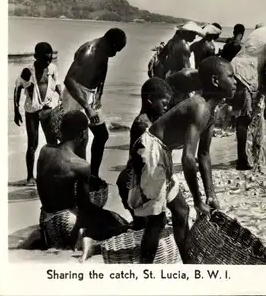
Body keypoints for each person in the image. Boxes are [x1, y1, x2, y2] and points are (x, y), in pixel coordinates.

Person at [126, 56, 236, 263]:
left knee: (180, 211)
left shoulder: (210, 112)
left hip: (162, 152)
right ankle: (143, 270)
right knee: (156, 221)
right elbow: (188, 159)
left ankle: (188, 265)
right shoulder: (200, 107)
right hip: (151, 150)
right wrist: (197, 200)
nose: (235, 81)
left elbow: (204, 155)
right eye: (230, 76)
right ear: (215, 81)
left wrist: (210, 194)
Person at [36, 111, 128, 262]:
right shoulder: (80, 165)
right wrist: (111, 218)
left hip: (46, 220)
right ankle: (89, 241)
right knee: (119, 226)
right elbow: (85, 207)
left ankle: (42, 237)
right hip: (66, 223)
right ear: (83, 134)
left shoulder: (44, 151)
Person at [62, 28, 126, 181]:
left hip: (91, 94)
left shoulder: (105, 51)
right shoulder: (89, 51)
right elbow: (69, 80)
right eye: (116, 49)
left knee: (102, 135)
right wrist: (87, 107)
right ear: (110, 42)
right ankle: (78, 178)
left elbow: (102, 71)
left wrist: (99, 94)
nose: (115, 54)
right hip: (75, 95)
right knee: (79, 140)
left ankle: (93, 175)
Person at [230, 13, 266, 170]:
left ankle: (247, 155)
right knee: (243, 117)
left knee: (245, 117)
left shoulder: (260, 31)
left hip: (236, 71)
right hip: (245, 75)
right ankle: (241, 159)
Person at [117, 78, 174, 230]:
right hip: (137, 182)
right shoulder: (142, 125)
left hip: (143, 178)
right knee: (149, 226)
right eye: (164, 103)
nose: (166, 107)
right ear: (150, 100)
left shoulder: (152, 121)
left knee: (156, 222)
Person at [13, 42, 61, 186]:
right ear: (35, 57)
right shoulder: (28, 71)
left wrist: (62, 97)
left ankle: (52, 173)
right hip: (32, 111)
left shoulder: (52, 68)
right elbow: (17, 88)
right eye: (44, 59)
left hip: (48, 109)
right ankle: (30, 177)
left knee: (52, 143)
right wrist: (16, 110)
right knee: (32, 144)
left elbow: (57, 83)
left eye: (50, 59)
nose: (48, 62)